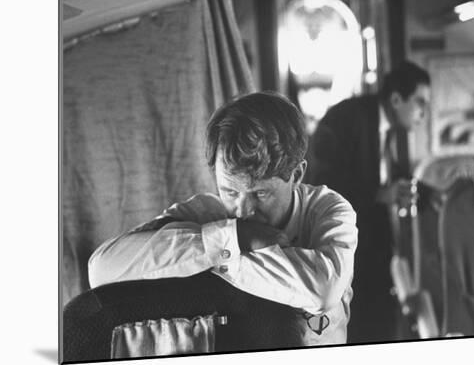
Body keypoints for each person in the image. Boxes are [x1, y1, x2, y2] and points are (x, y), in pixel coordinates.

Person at [88, 91, 358, 346]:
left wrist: (205, 261)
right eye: (229, 191)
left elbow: (322, 290)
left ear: (297, 175)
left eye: (260, 193)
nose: (242, 210)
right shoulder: (206, 212)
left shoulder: (330, 211)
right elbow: (102, 269)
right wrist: (233, 237)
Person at [308, 61, 431, 343]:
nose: (424, 113)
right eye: (420, 102)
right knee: (365, 330)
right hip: (346, 250)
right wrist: (379, 195)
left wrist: (431, 195)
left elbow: (390, 175)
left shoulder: (383, 127)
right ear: (397, 99)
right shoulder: (348, 118)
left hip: (372, 248)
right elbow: (323, 181)